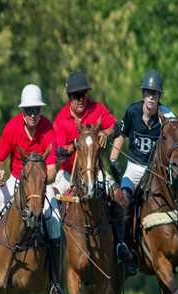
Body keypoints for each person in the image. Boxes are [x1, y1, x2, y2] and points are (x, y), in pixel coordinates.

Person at [0, 84, 64, 294]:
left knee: (55, 223)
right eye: (28, 111)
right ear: (22, 111)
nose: (32, 115)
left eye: (36, 110)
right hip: (15, 182)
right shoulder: (12, 128)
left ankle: (55, 284)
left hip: (39, 185)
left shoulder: (48, 129)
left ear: (41, 110)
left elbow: (51, 170)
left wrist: (40, 182)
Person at [109, 69, 178, 275]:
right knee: (124, 200)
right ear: (143, 95)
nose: (151, 98)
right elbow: (121, 135)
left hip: (158, 171)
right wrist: (113, 158)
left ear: (159, 97)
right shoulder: (132, 112)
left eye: (155, 94)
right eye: (148, 93)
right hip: (134, 168)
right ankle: (126, 248)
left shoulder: (167, 115)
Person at [53, 71, 133, 264]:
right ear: (69, 98)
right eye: (76, 96)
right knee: (52, 208)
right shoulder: (60, 119)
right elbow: (58, 152)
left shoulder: (96, 109)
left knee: (119, 197)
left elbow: (117, 125)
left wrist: (106, 132)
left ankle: (120, 245)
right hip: (67, 173)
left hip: (94, 171)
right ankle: (56, 257)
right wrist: (75, 145)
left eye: (83, 94)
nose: (81, 99)